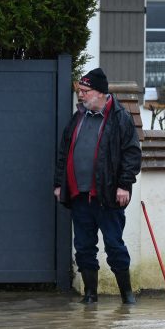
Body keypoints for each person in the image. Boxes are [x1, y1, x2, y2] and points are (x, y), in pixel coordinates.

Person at [53, 68, 141, 305]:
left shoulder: (120, 118)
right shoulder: (79, 117)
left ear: (100, 93)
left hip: (108, 196)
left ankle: (127, 297)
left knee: (114, 246)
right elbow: (64, 152)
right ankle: (90, 295)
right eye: (79, 91)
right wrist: (59, 183)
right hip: (79, 195)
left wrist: (124, 185)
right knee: (83, 246)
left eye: (85, 91)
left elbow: (132, 155)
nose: (80, 95)